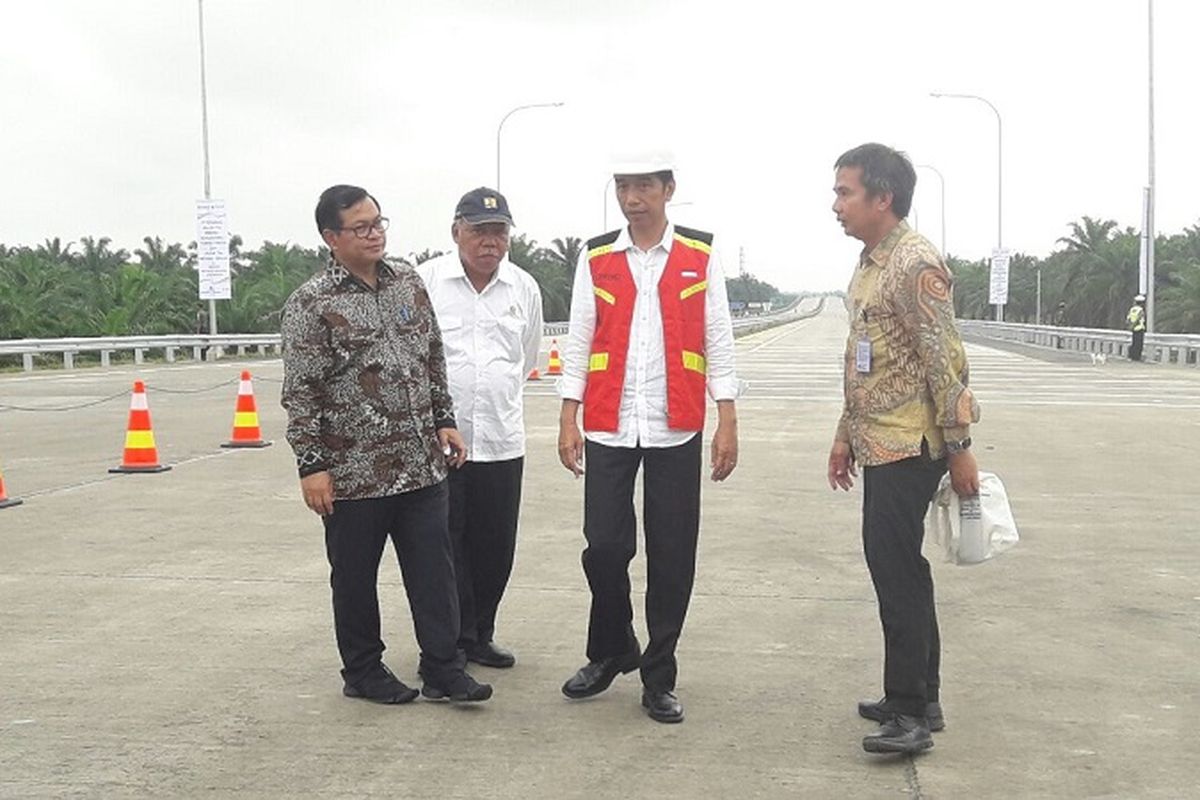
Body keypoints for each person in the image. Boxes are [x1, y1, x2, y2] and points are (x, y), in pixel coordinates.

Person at [280, 184, 492, 705]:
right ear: (331, 237)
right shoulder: (311, 303)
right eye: (360, 227)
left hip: (420, 465)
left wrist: (444, 419)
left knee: (433, 570)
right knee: (354, 578)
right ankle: (363, 671)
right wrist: (312, 466)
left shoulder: (407, 282)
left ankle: (443, 667)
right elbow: (301, 392)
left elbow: (431, 356)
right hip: (353, 473)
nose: (374, 234)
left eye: (378, 223)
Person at [556, 152, 741, 724]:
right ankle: (614, 647)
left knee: (672, 554)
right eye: (623, 186)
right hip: (610, 419)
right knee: (604, 548)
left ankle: (659, 674)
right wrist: (569, 414)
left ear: (668, 190)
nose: (632, 197)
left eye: (643, 187)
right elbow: (581, 333)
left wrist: (727, 416)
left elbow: (717, 334)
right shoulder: (597, 256)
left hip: (676, 420)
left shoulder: (699, 255)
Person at [827, 143, 980, 754]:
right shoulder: (871, 263)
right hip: (878, 441)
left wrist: (962, 445)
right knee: (900, 570)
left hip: (911, 443)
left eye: (845, 192)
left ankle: (911, 713)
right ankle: (921, 695)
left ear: (882, 197)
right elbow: (864, 361)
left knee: (896, 572)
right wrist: (844, 437)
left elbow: (946, 359)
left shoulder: (915, 263)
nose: (835, 204)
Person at [416, 188, 543, 669]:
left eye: (499, 232)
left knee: (495, 547)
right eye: (479, 230)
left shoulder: (523, 288)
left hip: (501, 438)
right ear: (456, 232)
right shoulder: (427, 281)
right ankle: (450, 639)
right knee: (444, 547)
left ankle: (481, 634)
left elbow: (527, 357)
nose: (490, 241)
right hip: (440, 443)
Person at [1127, 294, 1147, 361]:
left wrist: (1130, 326)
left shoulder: (1132, 309)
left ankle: (1132, 356)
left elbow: (1128, 319)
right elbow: (1139, 318)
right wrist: (1134, 325)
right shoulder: (1141, 310)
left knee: (1134, 343)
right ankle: (1137, 357)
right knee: (1139, 344)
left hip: (1133, 329)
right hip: (1139, 328)